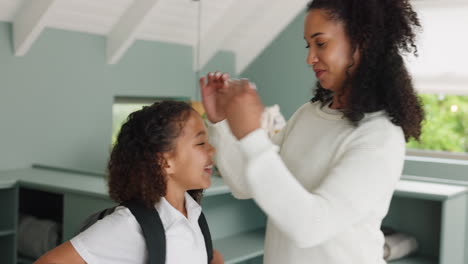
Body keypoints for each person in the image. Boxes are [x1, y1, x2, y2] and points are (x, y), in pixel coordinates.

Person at [199, 0, 424, 263]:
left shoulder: (380, 136)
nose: (310, 58)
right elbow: (245, 185)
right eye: (309, 45)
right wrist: (221, 123)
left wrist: (251, 134)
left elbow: (311, 227)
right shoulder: (308, 113)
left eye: (321, 43)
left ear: (362, 41)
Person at [35, 101, 223, 264]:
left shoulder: (192, 213)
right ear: (165, 162)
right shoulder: (128, 225)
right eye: (200, 143)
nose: (212, 150)